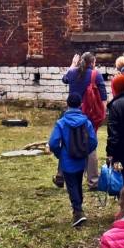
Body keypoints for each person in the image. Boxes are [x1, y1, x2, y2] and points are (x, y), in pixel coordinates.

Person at [47, 97, 98, 227]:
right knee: (78, 182)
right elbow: (93, 141)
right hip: (81, 159)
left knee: (72, 185)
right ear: (81, 104)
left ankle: (78, 211)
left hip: (67, 160)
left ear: (67, 104)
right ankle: (79, 207)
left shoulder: (61, 122)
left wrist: (60, 153)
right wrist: (85, 152)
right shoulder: (87, 122)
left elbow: (53, 143)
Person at [64, 53, 108, 130]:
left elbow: (64, 79)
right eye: (94, 62)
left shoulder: (72, 72)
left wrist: (73, 64)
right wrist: (102, 114)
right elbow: (103, 97)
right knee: (90, 137)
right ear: (92, 63)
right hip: (90, 112)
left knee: (72, 136)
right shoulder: (96, 75)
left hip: (73, 112)